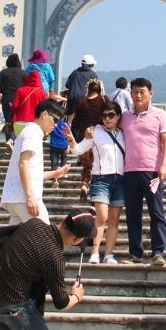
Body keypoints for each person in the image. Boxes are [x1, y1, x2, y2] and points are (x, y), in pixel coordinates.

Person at [66, 99, 126, 264]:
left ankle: (108, 254)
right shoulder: (96, 132)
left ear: (118, 116)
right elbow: (79, 150)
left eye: (111, 115)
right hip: (101, 179)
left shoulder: (123, 133)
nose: (107, 118)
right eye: (104, 115)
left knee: (114, 219)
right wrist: (71, 140)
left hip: (120, 180)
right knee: (102, 216)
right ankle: (94, 252)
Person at [120, 77, 166, 266]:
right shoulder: (124, 116)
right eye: (135, 92)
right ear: (130, 93)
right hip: (130, 171)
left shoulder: (159, 115)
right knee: (133, 215)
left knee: (156, 213)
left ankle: (158, 252)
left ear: (150, 93)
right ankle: (136, 253)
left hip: (152, 172)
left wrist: (164, 165)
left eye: (142, 91)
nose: (138, 95)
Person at [0, 98, 71, 225]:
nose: (55, 125)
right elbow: (23, 163)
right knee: (45, 238)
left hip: (16, 197)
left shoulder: (29, 131)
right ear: (44, 114)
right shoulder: (34, 131)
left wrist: (55, 173)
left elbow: (32, 173)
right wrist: (30, 196)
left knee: (16, 243)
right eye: (54, 120)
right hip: (24, 197)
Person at [69, 78, 106, 201]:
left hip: (84, 139)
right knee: (98, 166)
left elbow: (75, 122)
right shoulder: (104, 100)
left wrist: (75, 137)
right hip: (100, 138)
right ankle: (95, 193)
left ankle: (84, 185)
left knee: (87, 166)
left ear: (88, 89)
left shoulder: (82, 102)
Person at [0, 53, 26, 140]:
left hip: (7, 97)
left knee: (8, 120)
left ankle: (9, 140)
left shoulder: (4, 72)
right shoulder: (23, 73)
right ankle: (17, 140)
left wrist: (4, 92)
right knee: (18, 120)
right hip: (20, 99)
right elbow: (27, 86)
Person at [11, 69, 48, 136]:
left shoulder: (20, 90)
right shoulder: (42, 93)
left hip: (19, 121)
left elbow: (15, 106)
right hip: (35, 123)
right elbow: (44, 109)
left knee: (20, 143)